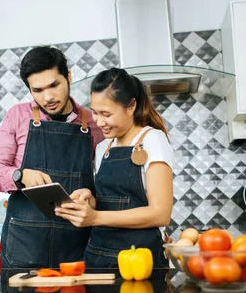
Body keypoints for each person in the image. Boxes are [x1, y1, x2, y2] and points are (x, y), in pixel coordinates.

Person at [0, 46, 104, 268]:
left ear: (68, 77)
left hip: (77, 246)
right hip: (23, 245)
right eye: (38, 90)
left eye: (54, 85)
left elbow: (106, 183)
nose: (48, 97)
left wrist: (93, 199)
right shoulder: (17, 116)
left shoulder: (95, 123)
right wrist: (21, 175)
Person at [54, 67, 175, 268]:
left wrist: (95, 217)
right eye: (94, 112)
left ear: (131, 106)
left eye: (106, 114)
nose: (99, 122)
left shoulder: (153, 140)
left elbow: (160, 213)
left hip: (140, 260)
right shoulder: (104, 147)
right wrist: (90, 200)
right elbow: (113, 202)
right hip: (99, 258)